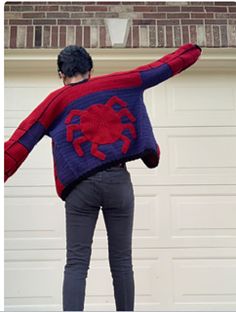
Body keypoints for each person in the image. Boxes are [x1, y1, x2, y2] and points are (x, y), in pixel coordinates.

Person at [4, 43, 202, 311]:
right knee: (122, 261)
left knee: (76, 262)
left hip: (80, 189)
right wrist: (192, 50)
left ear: (61, 75)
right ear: (91, 70)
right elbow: (161, 68)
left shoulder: (55, 100)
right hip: (118, 183)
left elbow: (19, 144)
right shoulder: (118, 82)